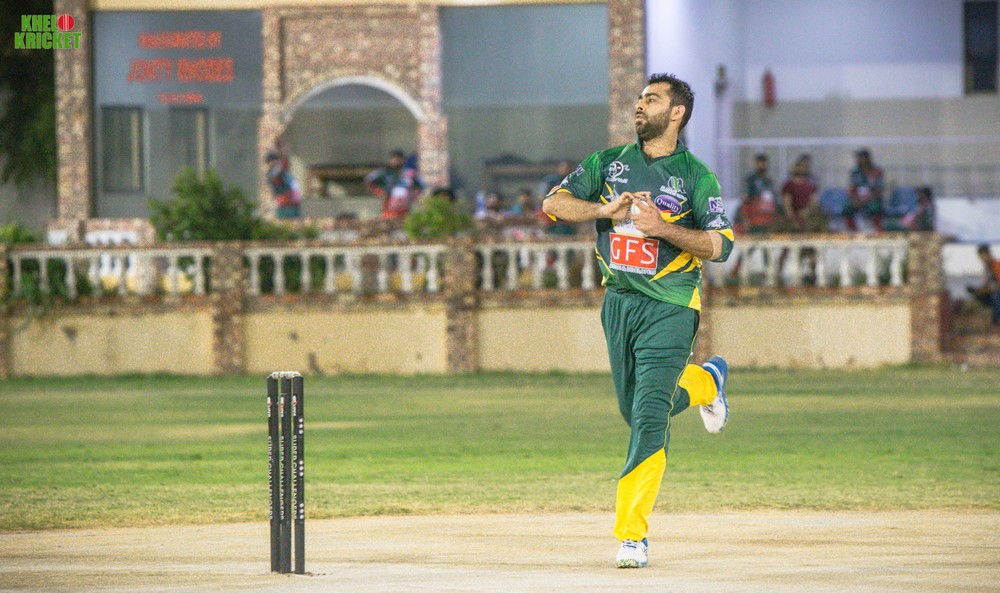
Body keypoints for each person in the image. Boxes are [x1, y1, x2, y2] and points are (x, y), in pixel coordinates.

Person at [542, 72, 733, 569]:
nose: (639, 106)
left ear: (677, 113)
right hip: (619, 303)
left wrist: (662, 228)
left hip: (671, 306)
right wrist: (603, 207)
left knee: (648, 417)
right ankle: (706, 383)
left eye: (652, 99)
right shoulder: (608, 163)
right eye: (640, 99)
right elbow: (552, 203)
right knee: (636, 411)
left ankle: (632, 536)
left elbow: (720, 246)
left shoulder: (696, 176)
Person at [365, 149, 426, 220]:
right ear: (391, 160)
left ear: (403, 160)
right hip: (389, 206)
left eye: (399, 159)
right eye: (394, 159)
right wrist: (379, 192)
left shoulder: (410, 173)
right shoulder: (384, 172)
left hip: (405, 207)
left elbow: (422, 185)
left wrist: (414, 195)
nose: (397, 161)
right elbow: (368, 180)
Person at [734, 153, 779, 233]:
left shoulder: (769, 181)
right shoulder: (750, 180)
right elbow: (744, 198)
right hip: (753, 211)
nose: (761, 165)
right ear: (755, 164)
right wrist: (745, 218)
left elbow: (774, 199)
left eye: (763, 163)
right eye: (759, 163)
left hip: (767, 212)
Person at [845, 148, 885, 231]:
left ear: (866, 158)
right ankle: (853, 231)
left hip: (872, 199)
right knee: (847, 208)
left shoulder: (877, 171)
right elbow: (851, 189)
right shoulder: (855, 173)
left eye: (860, 157)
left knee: (875, 208)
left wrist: (867, 199)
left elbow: (879, 190)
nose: (858, 159)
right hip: (858, 200)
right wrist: (855, 199)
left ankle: (878, 230)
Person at [781, 154, 823, 232]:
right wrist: (792, 215)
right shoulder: (788, 185)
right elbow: (787, 202)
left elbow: (814, 202)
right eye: (797, 166)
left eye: (801, 167)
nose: (799, 169)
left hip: (807, 214)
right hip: (793, 216)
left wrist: (807, 211)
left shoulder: (809, 185)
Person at [265, 140, 302, 219]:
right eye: (272, 161)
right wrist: (283, 152)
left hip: (294, 205)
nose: (275, 163)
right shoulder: (272, 173)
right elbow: (281, 168)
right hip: (285, 206)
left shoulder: (286, 173)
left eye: (276, 160)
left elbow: (285, 166)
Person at [967, 244, 1000, 326]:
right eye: (981, 257)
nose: (983, 259)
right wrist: (978, 291)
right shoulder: (987, 269)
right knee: (976, 294)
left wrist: (989, 289)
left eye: (984, 256)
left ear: (989, 254)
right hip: (993, 293)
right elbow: (987, 285)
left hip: (997, 293)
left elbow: (997, 286)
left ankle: (997, 319)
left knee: (997, 294)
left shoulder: (997, 265)